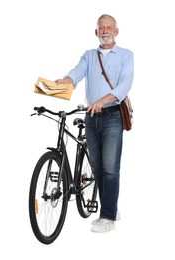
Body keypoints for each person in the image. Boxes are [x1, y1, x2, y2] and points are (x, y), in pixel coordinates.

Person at [55, 14, 134, 233]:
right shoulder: (89, 55)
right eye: (102, 28)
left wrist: (102, 101)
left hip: (112, 116)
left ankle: (108, 217)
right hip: (92, 116)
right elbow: (77, 72)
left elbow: (124, 84)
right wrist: (67, 80)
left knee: (110, 168)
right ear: (96, 32)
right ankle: (110, 206)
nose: (105, 31)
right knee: (97, 166)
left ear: (116, 31)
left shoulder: (126, 55)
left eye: (109, 27)